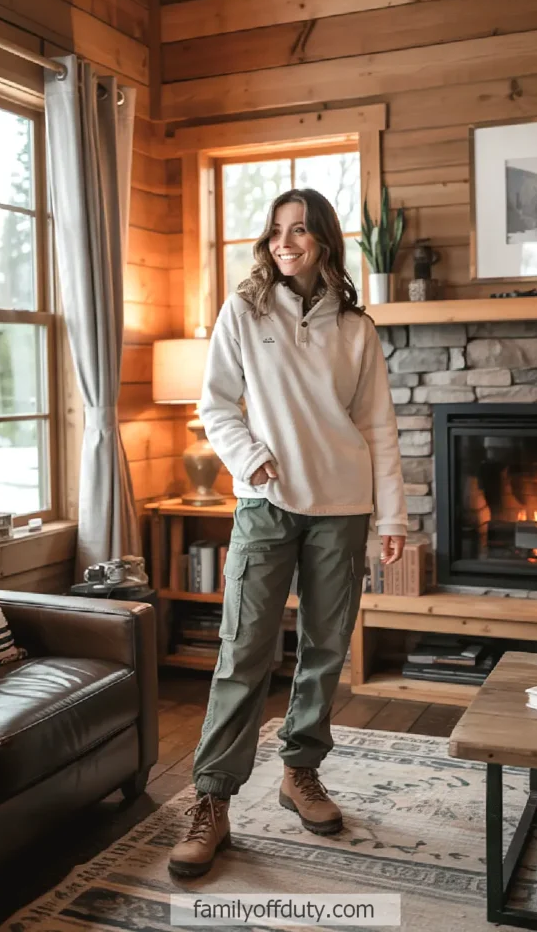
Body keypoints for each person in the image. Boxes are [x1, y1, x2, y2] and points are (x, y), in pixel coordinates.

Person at [169, 188, 407, 878]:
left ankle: (299, 771)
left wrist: (390, 516)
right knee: (243, 652)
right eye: (275, 231)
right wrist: (249, 456)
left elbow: (378, 429)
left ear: (324, 240)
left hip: (342, 507)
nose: (284, 242)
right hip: (264, 506)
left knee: (325, 651)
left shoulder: (356, 328)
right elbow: (214, 404)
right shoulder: (243, 311)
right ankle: (211, 800)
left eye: (298, 231)